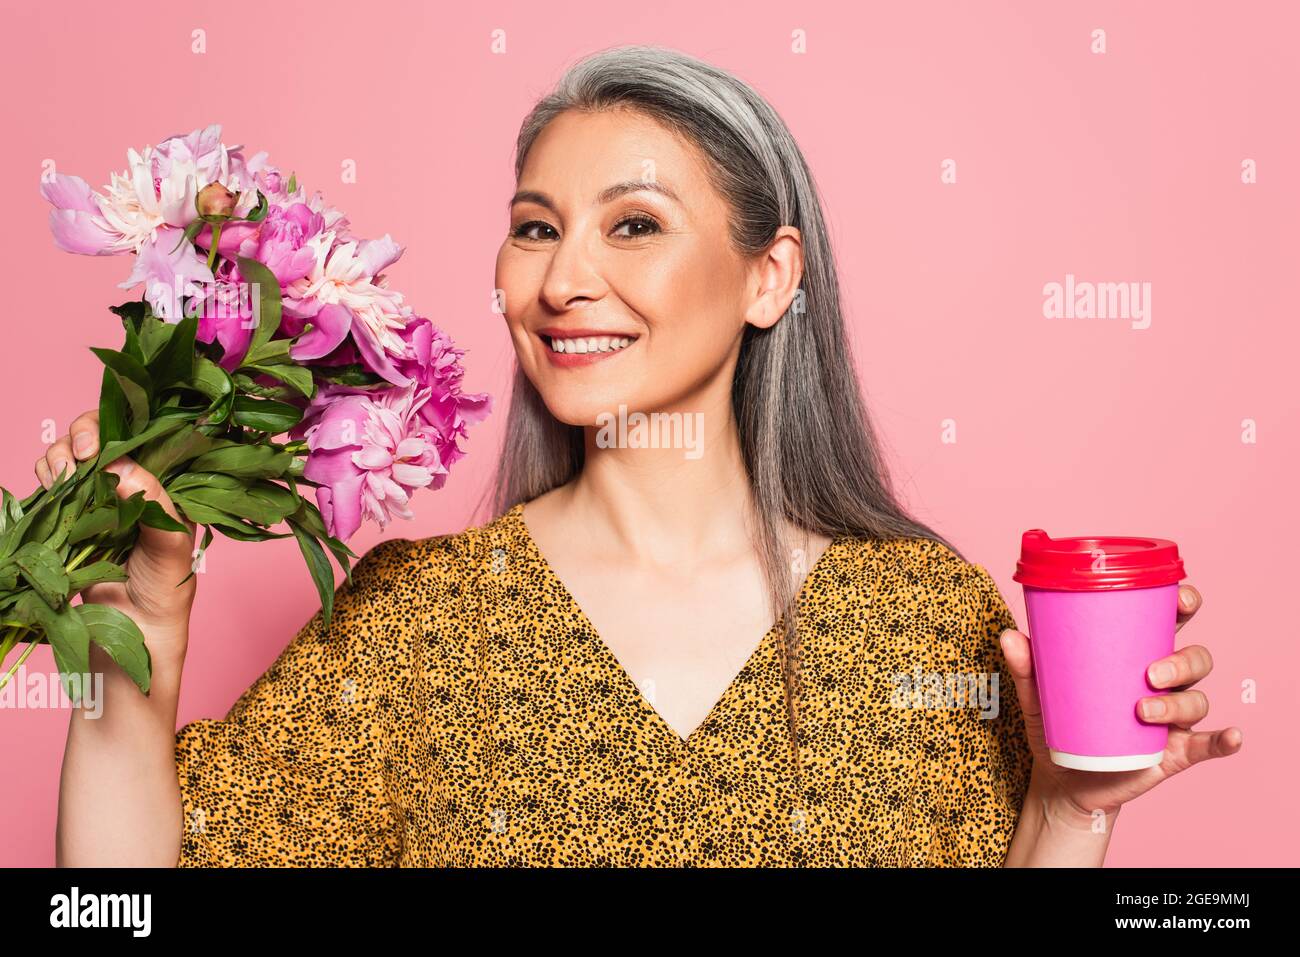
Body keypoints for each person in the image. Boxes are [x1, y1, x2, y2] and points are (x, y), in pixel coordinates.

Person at [51, 44, 1240, 868]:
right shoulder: (419, 625)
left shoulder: (926, 622)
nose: (564, 280)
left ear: (769, 276)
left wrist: (1069, 809)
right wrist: (132, 657)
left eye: (633, 224)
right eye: (534, 229)